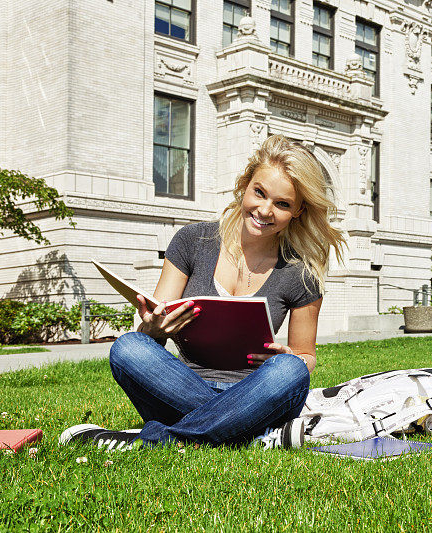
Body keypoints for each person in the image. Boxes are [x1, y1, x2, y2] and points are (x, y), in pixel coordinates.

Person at [60, 135, 346, 450]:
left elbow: (306, 357)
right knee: (129, 347)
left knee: (290, 371)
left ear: (298, 210)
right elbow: (155, 326)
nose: (264, 210)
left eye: (282, 204)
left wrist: (290, 357)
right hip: (182, 386)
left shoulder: (300, 273)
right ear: (245, 185)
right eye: (259, 193)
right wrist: (152, 328)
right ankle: (250, 436)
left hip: (257, 391)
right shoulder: (193, 241)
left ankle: (156, 439)